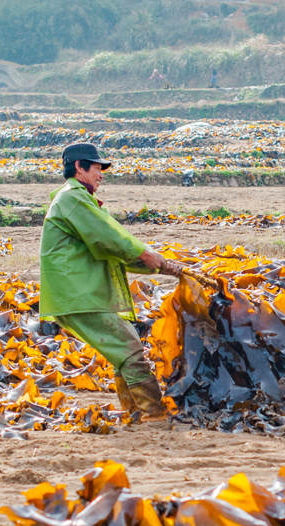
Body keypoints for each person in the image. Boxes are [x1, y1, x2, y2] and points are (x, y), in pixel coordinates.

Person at [39, 143, 185, 418]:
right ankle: (154, 414)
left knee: (125, 349)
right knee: (130, 350)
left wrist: (160, 266)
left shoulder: (78, 199)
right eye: (97, 168)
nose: (101, 174)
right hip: (78, 293)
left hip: (83, 293)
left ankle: (135, 412)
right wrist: (145, 253)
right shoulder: (72, 198)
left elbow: (113, 248)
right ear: (79, 167)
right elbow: (109, 237)